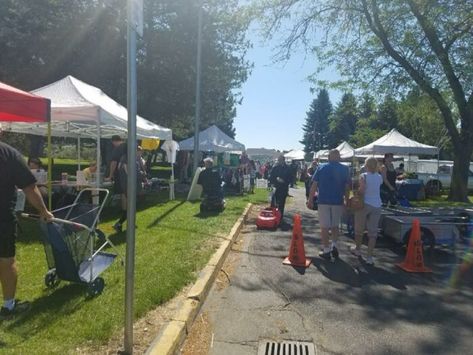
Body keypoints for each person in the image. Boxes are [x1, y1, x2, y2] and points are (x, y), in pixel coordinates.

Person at [0, 141, 53, 318]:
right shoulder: (9, 154)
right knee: (6, 261)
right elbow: (30, 188)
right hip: (2, 219)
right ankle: (8, 306)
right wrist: (44, 211)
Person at [307, 149, 350, 260]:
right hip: (337, 201)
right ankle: (334, 245)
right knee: (335, 225)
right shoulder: (345, 169)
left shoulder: (321, 167)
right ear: (339, 157)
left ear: (329, 157)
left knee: (324, 227)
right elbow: (347, 187)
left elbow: (314, 185)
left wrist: (310, 199)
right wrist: (346, 200)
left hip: (323, 200)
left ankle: (326, 250)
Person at [351, 157, 383, 265]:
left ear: (366, 165)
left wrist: (356, 192)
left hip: (364, 204)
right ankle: (369, 257)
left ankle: (358, 249)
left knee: (359, 229)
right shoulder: (379, 177)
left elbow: (362, 190)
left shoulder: (363, 176)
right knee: (373, 233)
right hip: (377, 204)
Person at [112, 146, 143, 233]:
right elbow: (129, 172)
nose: (140, 154)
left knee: (132, 206)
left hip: (129, 185)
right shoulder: (127, 158)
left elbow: (121, 169)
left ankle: (130, 223)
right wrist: (139, 173)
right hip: (129, 186)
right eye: (139, 152)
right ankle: (118, 223)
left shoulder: (129, 158)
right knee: (131, 207)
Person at [269, 155, 292, 226]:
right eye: (278, 160)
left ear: (283, 160)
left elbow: (290, 178)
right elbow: (271, 176)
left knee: (281, 204)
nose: (278, 161)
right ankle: (272, 217)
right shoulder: (275, 167)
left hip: (283, 188)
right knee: (273, 203)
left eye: (280, 160)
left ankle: (280, 218)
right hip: (276, 187)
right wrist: (274, 181)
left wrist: (284, 181)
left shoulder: (287, 168)